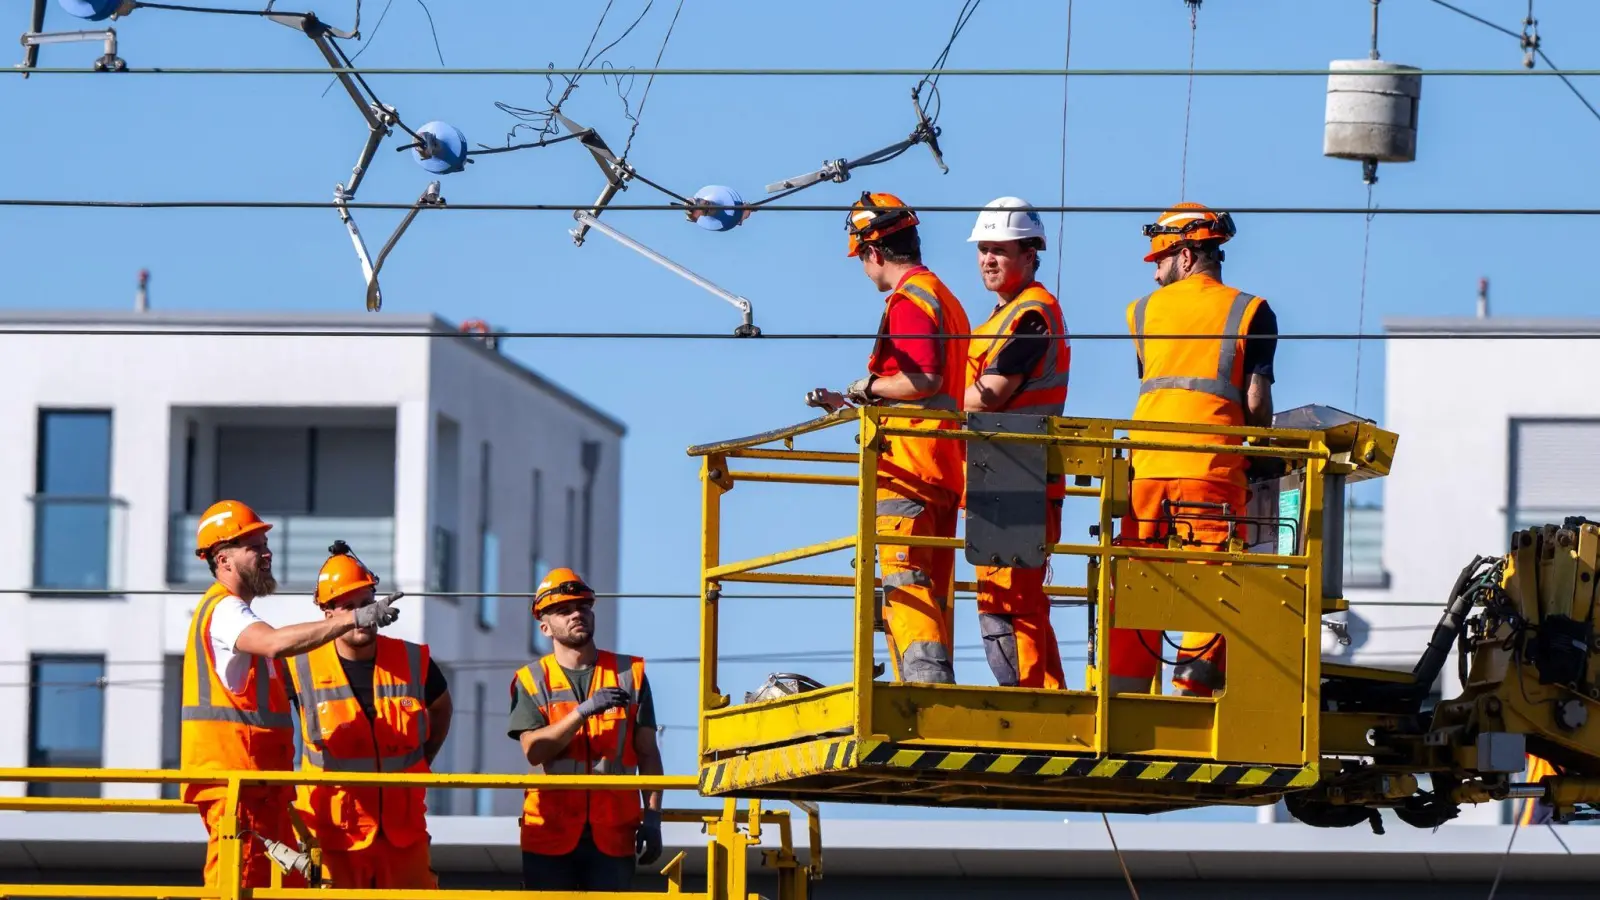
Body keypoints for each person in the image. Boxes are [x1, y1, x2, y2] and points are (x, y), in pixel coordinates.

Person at [179, 500, 402, 890]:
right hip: (239, 796)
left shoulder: (234, 615)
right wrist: (354, 618)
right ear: (223, 559)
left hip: (262, 795)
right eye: (253, 546)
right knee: (240, 889)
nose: (266, 553)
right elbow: (277, 643)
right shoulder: (225, 613)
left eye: (265, 543)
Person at [1107, 203, 1277, 697]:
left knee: (1139, 576)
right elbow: (1256, 401)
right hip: (1211, 469)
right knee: (1213, 578)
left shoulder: (1140, 311)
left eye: (1159, 259)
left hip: (1145, 468)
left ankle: (1124, 695)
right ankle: (1191, 689)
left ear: (1185, 256)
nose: (1155, 271)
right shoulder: (1251, 310)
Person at [808, 191, 973, 684]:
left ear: (873, 252)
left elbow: (921, 381)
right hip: (944, 466)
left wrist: (866, 387)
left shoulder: (909, 300)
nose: (863, 268)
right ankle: (924, 684)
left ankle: (924, 693)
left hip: (909, 466)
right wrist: (856, 402)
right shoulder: (946, 298)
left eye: (861, 257)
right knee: (932, 589)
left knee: (904, 582)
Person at [287, 542, 451, 890]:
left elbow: (442, 707)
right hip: (331, 837)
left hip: (403, 835)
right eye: (349, 607)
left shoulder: (412, 660)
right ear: (328, 614)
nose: (362, 614)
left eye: (366, 604)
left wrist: (423, 759)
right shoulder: (298, 666)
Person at [962, 197, 1070, 689]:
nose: (988, 259)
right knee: (1008, 601)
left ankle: (1036, 705)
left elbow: (991, 394)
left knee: (1012, 603)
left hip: (1019, 476)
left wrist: (932, 404)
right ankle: (1047, 700)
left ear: (1030, 254)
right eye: (983, 249)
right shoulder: (1000, 318)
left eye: (999, 250)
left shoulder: (1032, 316)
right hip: (999, 475)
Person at [508, 568, 665, 892]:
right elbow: (535, 751)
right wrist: (584, 711)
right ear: (545, 627)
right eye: (563, 611)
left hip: (615, 832)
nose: (576, 614)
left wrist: (652, 816)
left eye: (583, 607)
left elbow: (648, 753)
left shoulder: (629, 674)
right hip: (549, 831)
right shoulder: (531, 680)